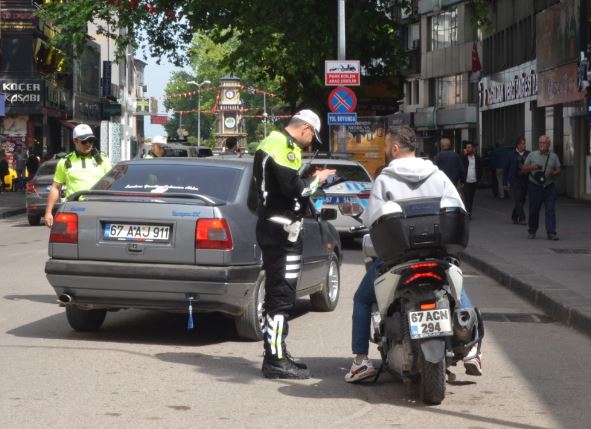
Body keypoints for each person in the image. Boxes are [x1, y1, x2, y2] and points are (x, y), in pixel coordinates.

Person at [345, 126, 483, 383]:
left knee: (362, 300)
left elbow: (371, 218)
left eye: (387, 146)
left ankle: (361, 361)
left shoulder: (385, 179)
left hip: (398, 258)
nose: (387, 150)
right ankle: (472, 349)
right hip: (436, 253)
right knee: (454, 283)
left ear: (395, 148)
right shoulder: (437, 174)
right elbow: (458, 207)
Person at [252, 109, 335, 379]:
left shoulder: (272, 143)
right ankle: (275, 360)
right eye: (312, 137)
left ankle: (276, 352)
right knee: (282, 296)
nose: (310, 144)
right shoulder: (282, 147)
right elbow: (297, 191)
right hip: (281, 231)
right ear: (305, 129)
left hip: (273, 227)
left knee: (279, 293)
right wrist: (317, 180)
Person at [44, 124, 112, 228]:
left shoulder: (102, 159)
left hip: (99, 208)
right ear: (75, 141)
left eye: (91, 140)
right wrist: (48, 212)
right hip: (75, 210)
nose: (88, 144)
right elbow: (56, 187)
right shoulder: (65, 161)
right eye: (84, 141)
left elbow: (113, 182)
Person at [522, 135, 561, 240]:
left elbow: (558, 169)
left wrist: (554, 172)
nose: (541, 145)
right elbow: (524, 169)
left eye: (544, 143)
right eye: (540, 143)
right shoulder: (532, 155)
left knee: (550, 209)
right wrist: (531, 167)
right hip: (534, 186)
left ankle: (551, 232)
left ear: (549, 144)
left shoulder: (554, 156)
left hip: (549, 186)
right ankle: (532, 230)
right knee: (534, 209)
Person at [506, 137, 530, 225]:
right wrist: (505, 182)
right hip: (514, 180)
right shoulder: (511, 154)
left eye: (525, 143)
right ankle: (522, 218)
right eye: (523, 143)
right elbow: (507, 168)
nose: (524, 145)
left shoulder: (528, 154)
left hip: (525, 179)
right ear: (518, 145)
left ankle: (514, 216)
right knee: (518, 198)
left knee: (522, 199)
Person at [460, 141, 481, 217]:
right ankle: (468, 213)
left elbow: (480, 169)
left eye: (469, 147)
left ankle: (469, 211)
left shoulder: (477, 158)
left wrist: (479, 179)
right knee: (467, 197)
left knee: (471, 198)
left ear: (473, 148)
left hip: (474, 181)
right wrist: (462, 181)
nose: (468, 149)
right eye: (467, 148)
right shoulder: (464, 158)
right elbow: (461, 168)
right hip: (466, 181)